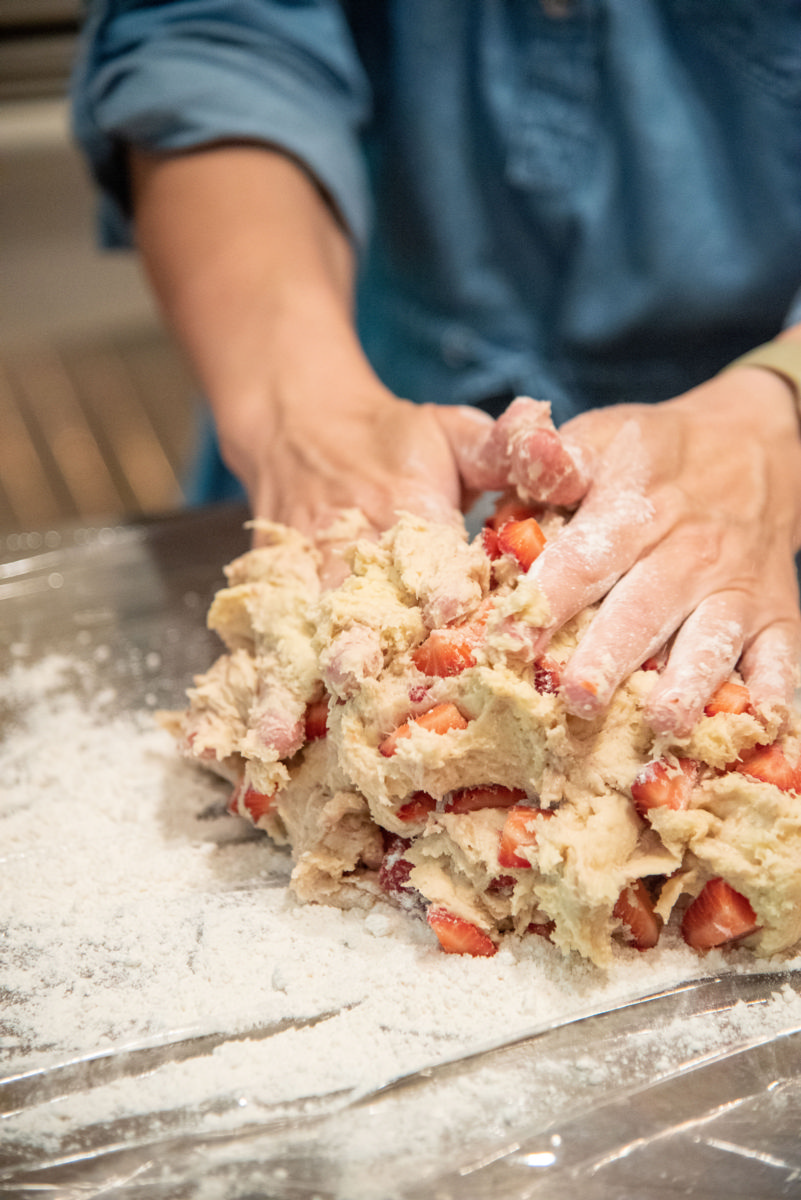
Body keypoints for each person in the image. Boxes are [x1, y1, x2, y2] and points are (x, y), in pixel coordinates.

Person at [72, 1, 801, 737]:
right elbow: (213, 43)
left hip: (758, 492)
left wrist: (777, 411)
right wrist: (303, 406)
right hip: (342, 415)